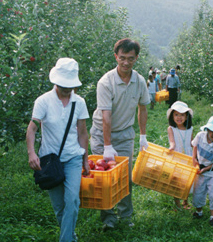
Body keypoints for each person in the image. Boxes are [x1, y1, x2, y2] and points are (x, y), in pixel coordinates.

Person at [26, 58, 90, 242]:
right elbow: (32, 128)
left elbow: (83, 133)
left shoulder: (79, 102)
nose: (66, 89)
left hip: (73, 158)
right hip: (50, 160)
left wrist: (85, 158)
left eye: (69, 85)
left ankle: (65, 240)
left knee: (73, 200)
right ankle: (70, 235)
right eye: (63, 84)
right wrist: (32, 152)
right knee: (59, 206)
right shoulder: (43, 101)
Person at [90, 38, 150, 231]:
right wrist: (107, 146)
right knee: (104, 177)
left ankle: (126, 216)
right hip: (101, 133)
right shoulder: (105, 82)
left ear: (136, 58)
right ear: (116, 56)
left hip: (124, 133)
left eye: (130, 59)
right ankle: (108, 218)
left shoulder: (139, 81)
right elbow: (106, 116)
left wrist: (142, 136)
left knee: (124, 177)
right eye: (122, 58)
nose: (125, 62)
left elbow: (143, 108)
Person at [166, 101, 193, 209]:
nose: (179, 117)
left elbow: (191, 143)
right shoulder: (171, 129)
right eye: (176, 114)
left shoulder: (190, 129)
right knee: (176, 180)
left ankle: (185, 201)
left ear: (187, 117)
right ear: (172, 116)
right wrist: (171, 147)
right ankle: (177, 203)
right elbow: (172, 142)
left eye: (182, 115)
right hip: (177, 157)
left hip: (188, 157)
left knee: (186, 180)